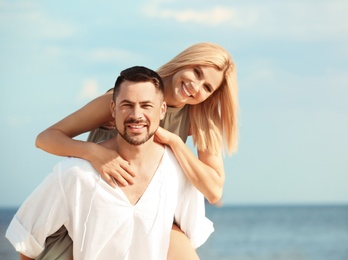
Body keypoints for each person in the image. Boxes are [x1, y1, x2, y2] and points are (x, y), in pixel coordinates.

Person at [35, 42, 238, 258]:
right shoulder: (128, 100)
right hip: (92, 215)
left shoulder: (200, 119)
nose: (196, 87)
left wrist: (174, 142)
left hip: (145, 217)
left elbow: (214, 189)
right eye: (197, 72)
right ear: (184, 62)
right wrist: (95, 153)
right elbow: (46, 138)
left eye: (207, 87)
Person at [6, 66, 213, 260]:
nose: (136, 115)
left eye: (146, 105)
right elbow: (26, 242)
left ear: (162, 110)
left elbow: (188, 243)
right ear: (113, 109)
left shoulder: (179, 174)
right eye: (127, 105)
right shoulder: (75, 173)